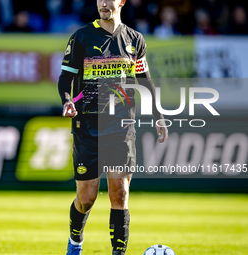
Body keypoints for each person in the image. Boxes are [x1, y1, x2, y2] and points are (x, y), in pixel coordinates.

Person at [57, 0, 168, 254]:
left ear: (121, 2)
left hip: (121, 127)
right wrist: (67, 101)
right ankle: (75, 240)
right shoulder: (81, 37)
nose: (103, 3)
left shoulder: (135, 40)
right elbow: (66, 77)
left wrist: (158, 114)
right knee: (87, 198)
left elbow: (145, 80)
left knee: (120, 193)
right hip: (87, 126)